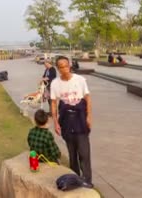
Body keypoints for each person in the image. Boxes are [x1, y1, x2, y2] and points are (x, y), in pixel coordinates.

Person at [51, 56, 93, 187]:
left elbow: (87, 98)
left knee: (84, 152)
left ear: (69, 65)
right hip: (66, 120)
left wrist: (89, 116)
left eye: (66, 66)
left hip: (80, 118)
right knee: (72, 152)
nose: (64, 69)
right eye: (61, 67)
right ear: (58, 69)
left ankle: (87, 180)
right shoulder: (55, 83)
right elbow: (53, 103)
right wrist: (56, 123)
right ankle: (75, 179)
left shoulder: (80, 80)